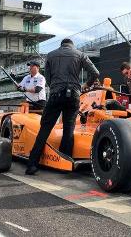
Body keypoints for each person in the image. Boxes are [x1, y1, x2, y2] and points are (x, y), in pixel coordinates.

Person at [25, 38, 99, 175]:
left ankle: (32, 165)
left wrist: (54, 87)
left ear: (61, 45)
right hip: (74, 95)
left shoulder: (51, 55)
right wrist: (85, 86)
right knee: (68, 129)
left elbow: (47, 76)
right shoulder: (80, 54)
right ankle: (65, 164)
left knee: (45, 129)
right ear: (72, 45)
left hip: (55, 94)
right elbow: (95, 73)